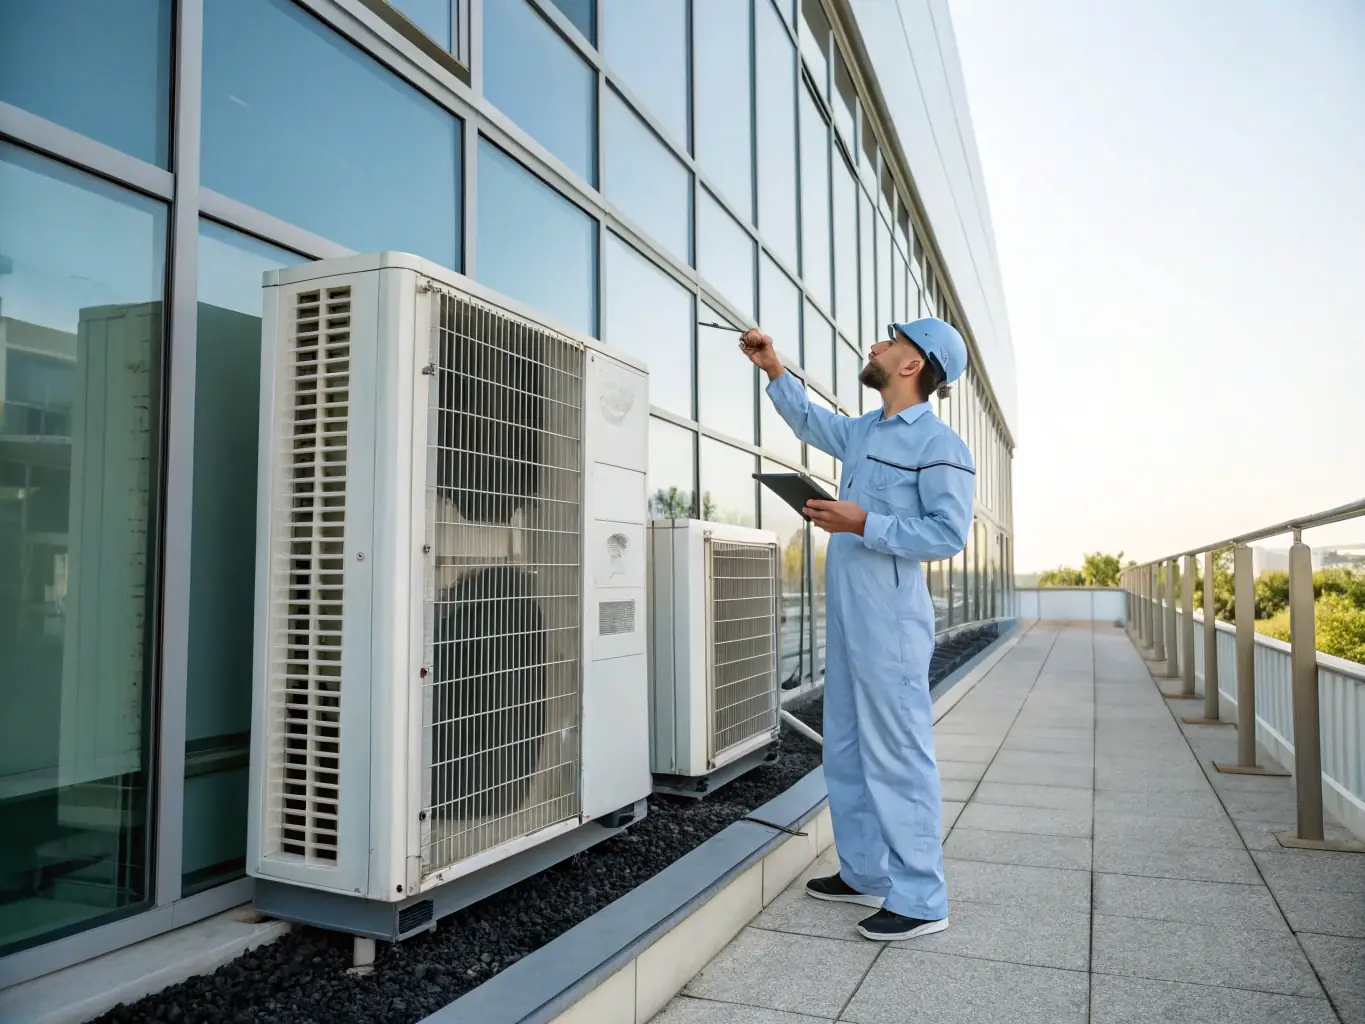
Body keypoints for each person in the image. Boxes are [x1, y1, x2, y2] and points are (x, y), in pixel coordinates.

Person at [739, 318, 975, 941]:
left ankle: (922, 900)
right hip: (848, 615)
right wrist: (772, 369)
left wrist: (862, 521)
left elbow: (947, 535)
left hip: (891, 622)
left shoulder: (940, 445)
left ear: (911, 365)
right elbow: (812, 423)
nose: (875, 345)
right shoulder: (866, 430)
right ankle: (866, 872)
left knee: (898, 752)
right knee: (843, 744)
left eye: (890, 341)